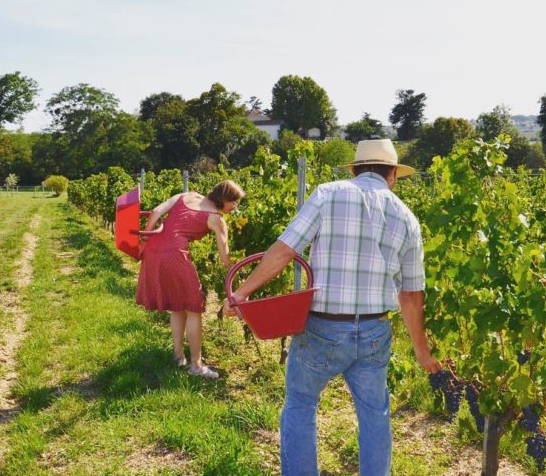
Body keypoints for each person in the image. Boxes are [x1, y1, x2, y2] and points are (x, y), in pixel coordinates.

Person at [224, 139, 441, 475]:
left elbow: (283, 253)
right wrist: (422, 352)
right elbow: (412, 296)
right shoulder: (407, 218)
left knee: (301, 404)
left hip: (321, 328)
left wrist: (242, 293)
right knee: (375, 414)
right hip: (374, 331)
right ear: (394, 175)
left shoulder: (328, 194)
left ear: (354, 169)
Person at [137, 180, 245, 379]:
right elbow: (224, 259)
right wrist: (240, 263)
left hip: (153, 250)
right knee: (194, 308)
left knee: (178, 306)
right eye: (235, 203)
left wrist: (145, 238)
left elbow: (155, 211)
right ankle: (196, 365)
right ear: (224, 200)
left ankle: (178, 356)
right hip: (175, 255)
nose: (235, 208)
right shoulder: (215, 219)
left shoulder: (187, 195)